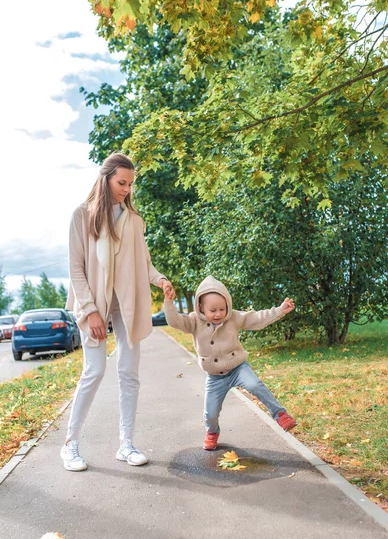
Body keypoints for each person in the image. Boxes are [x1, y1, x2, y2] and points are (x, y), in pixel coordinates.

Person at [61, 153, 173, 471]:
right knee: (94, 371)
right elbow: (75, 269)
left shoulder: (134, 219)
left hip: (126, 304)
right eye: (121, 182)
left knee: (129, 373)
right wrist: (91, 311)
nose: (126, 189)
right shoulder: (81, 216)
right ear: (106, 178)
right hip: (93, 303)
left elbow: (144, 262)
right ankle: (70, 446)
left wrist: (160, 279)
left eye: (130, 184)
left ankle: (126, 444)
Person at [164, 275, 297, 450]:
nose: (218, 314)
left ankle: (280, 414)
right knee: (210, 413)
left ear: (228, 305)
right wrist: (168, 302)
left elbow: (257, 319)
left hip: (237, 368)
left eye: (222, 308)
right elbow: (174, 321)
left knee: (255, 385)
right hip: (214, 377)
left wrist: (279, 310)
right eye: (213, 310)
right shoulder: (194, 321)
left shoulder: (233, 318)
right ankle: (212, 432)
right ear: (201, 307)